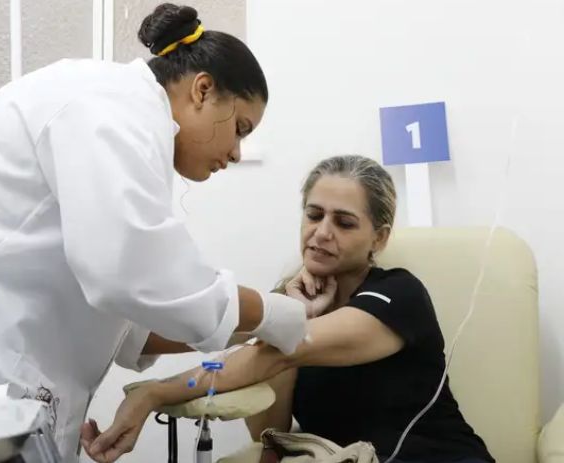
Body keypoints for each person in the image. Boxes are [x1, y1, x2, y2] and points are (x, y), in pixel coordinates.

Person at [0, 3, 312, 461]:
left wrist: (258, 319)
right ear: (202, 89)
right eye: (241, 128)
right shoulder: (110, 108)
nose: (237, 152)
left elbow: (133, 313)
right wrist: (271, 313)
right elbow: (130, 275)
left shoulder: (129, 125)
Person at [83, 155, 494, 463]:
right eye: (313, 215)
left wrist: (155, 392)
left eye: (345, 223)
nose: (321, 233)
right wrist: (297, 312)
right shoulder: (290, 309)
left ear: (379, 238)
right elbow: (270, 432)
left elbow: (287, 347)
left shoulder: (400, 295)